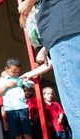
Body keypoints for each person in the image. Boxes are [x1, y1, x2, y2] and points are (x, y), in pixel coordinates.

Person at [18, 0, 80, 138]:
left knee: (76, 107)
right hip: (71, 25)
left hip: (65, 28)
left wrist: (28, 2)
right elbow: (49, 64)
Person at [0, 57, 33, 139]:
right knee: (17, 134)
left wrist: (35, 74)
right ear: (6, 69)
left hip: (23, 107)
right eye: (13, 71)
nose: (16, 73)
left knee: (27, 133)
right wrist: (6, 86)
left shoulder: (20, 79)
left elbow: (33, 85)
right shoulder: (1, 80)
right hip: (10, 110)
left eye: (18, 72)